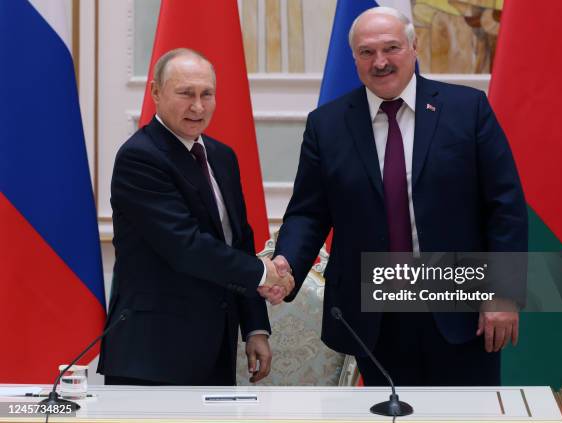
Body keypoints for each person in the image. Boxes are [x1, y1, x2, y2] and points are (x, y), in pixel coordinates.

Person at [272, 7, 527, 386]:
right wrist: (286, 264)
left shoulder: (466, 110)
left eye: (391, 48)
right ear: (354, 58)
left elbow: (504, 207)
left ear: (414, 46)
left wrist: (503, 293)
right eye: (366, 52)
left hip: (461, 306)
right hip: (376, 313)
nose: (380, 62)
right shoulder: (327, 124)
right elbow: (309, 213)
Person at [97, 48, 294, 386]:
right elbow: (186, 246)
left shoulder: (222, 156)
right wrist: (266, 273)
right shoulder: (139, 157)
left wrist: (255, 328)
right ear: (156, 92)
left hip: (214, 349)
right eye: (186, 93)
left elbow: (239, 241)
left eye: (207, 94)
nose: (198, 106)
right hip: (152, 354)